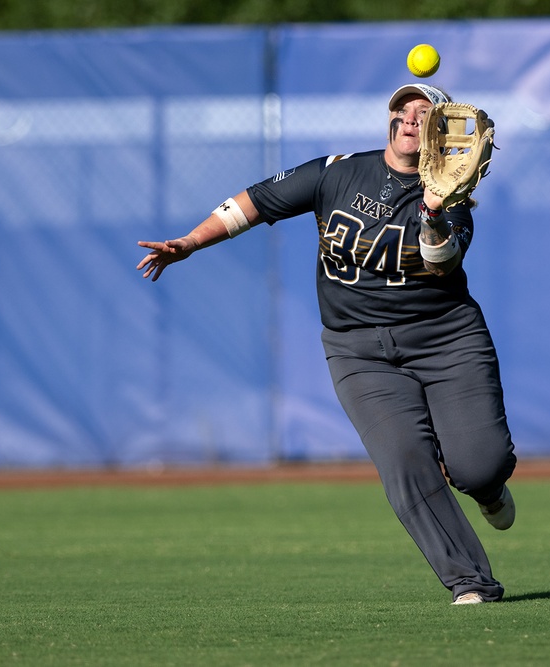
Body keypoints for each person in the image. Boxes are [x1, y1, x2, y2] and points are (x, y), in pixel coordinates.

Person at [137, 83, 517, 605]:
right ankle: (470, 582)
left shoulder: (450, 197)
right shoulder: (338, 172)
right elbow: (255, 201)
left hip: (445, 338)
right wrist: (190, 242)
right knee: (404, 462)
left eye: (424, 112)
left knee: (480, 464)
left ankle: (487, 486)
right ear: (390, 121)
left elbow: (442, 262)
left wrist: (431, 211)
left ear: (440, 131)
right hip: (358, 350)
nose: (410, 118)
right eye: (402, 109)